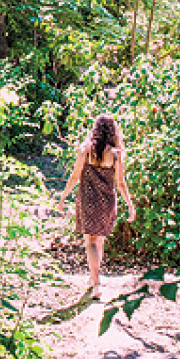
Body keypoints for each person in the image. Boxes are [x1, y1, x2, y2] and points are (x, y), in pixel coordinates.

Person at [58, 113, 136, 297]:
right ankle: (94, 278)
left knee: (90, 240)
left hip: (87, 199)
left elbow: (75, 176)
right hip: (107, 201)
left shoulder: (85, 150)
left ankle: (96, 282)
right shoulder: (115, 155)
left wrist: (63, 197)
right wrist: (130, 205)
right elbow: (121, 183)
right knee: (99, 239)